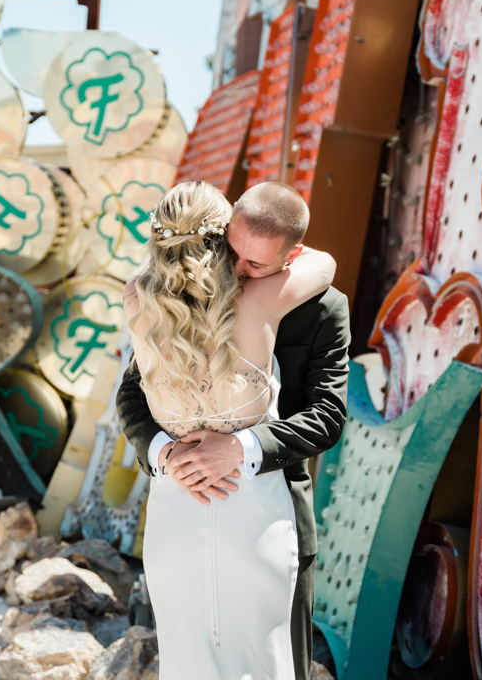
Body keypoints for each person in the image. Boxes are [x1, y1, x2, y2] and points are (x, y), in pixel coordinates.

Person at [117, 181, 350, 680]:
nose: (240, 274)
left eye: (257, 265)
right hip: (181, 503)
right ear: (219, 237)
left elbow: (328, 415)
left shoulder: (324, 307)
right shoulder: (194, 303)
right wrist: (163, 454)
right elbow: (131, 396)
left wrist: (239, 448)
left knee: (274, 659)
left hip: (273, 511)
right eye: (230, 251)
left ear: (293, 254)